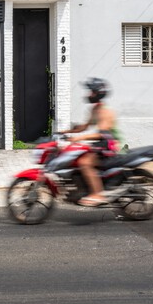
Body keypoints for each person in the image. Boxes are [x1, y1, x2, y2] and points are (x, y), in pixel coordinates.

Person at [61, 77, 119, 207]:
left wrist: (79, 138)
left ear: (98, 93)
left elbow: (102, 133)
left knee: (85, 162)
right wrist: (65, 132)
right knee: (75, 156)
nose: (89, 94)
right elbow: (85, 127)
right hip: (100, 144)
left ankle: (98, 194)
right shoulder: (94, 109)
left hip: (107, 145)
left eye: (91, 92)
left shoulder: (105, 112)